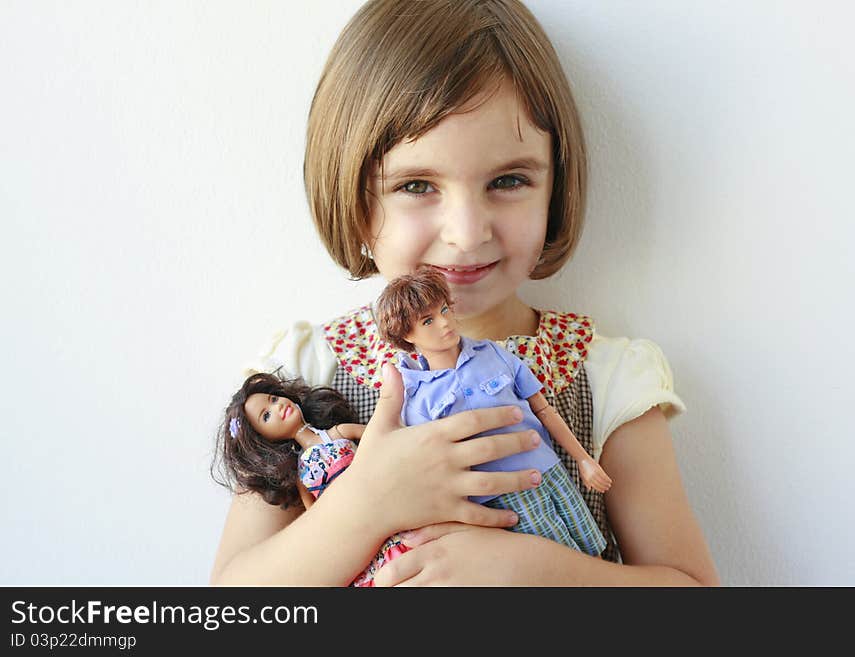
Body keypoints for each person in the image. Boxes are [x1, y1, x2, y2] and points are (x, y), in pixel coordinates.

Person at [210, 0, 719, 586]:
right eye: (417, 184)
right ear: (354, 198)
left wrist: (539, 575)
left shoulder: (607, 380)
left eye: (508, 180)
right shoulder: (306, 373)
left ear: (556, 184)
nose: (468, 233)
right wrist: (368, 502)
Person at [375, 267, 610, 556]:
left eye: (445, 309)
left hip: (551, 470)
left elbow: (544, 411)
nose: (445, 323)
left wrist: (584, 461)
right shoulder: (417, 401)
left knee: (593, 547)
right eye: (428, 320)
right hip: (506, 495)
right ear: (406, 335)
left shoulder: (495, 354)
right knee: (557, 562)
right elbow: (434, 472)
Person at [212, 372, 407, 586]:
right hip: (360, 534)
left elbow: (379, 436)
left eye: (274, 399)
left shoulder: (335, 433)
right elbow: (316, 514)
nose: (278, 408)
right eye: (266, 416)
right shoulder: (303, 472)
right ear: (265, 443)